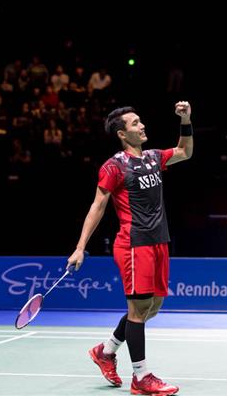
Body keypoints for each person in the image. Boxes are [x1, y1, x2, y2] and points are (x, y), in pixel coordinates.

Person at [66, 101, 193, 395]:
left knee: (152, 307)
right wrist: (80, 247)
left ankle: (106, 351)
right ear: (122, 134)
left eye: (140, 120)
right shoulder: (114, 166)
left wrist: (185, 120)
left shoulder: (153, 157)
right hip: (134, 245)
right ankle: (141, 377)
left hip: (159, 241)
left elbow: (185, 151)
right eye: (135, 123)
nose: (142, 125)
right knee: (137, 310)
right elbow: (98, 206)